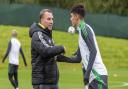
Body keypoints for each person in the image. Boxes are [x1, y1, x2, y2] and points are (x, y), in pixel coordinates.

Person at [59, 4, 108, 89]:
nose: (70, 19)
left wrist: (87, 73)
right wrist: (62, 58)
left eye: (71, 16)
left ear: (77, 16)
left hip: (98, 76)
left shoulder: (84, 28)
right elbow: (78, 59)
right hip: (92, 78)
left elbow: (94, 51)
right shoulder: (81, 32)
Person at [29, 9, 66, 89]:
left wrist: (74, 59)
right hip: (42, 83)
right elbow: (45, 51)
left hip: (52, 82)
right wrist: (61, 48)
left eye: (52, 19)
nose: (51, 21)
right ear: (41, 20)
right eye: (48, 19)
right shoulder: (37, 34)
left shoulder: (47, 36)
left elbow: (54, 56)